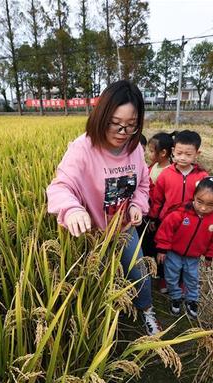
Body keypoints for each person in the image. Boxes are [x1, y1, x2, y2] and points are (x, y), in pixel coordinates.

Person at [46, 80, 161, 335]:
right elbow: (59, 187)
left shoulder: (133, 149)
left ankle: (146, 310)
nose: (122, 131)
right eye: (115, 123)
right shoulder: (83, 148)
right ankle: (104, 326)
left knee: (138, 269)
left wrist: (137, 205)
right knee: (96, 281)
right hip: (93, 234)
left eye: (131, 125)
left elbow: (143, 184)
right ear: (101, 116)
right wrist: (72, 209)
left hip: (123, 228)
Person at [155, 176, 213, 318]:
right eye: (200, 202)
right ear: (194, 196)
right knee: (171, 276)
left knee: (192, 278)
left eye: (211, 205)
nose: (204, 208)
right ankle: (175, 297)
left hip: (194, 257)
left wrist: (210, 256)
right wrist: (162, 249)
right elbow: (165, 230)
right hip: (173, 253)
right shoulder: (181, 213)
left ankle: (192, 299)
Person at [148, 130, 210, 223]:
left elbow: (207, 200)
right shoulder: (165, 174)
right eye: (179, 153)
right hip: (166, 220)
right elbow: (158, 200)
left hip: (190, 222)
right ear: (173, 151)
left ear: (197, 153)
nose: (183, 158)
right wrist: (153, 218)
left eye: (188, 154)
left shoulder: (202, 176)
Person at [141, 131, 175, 293]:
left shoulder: (169, 172)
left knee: (161, 248)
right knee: (148, 245)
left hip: (161, 218)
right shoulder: (152, 167)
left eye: (151, 150)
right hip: (149, 214)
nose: (148, 153)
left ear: (163, 153)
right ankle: (148, 272)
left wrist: (155, 219)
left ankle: (162, 278)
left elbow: (164, 200)